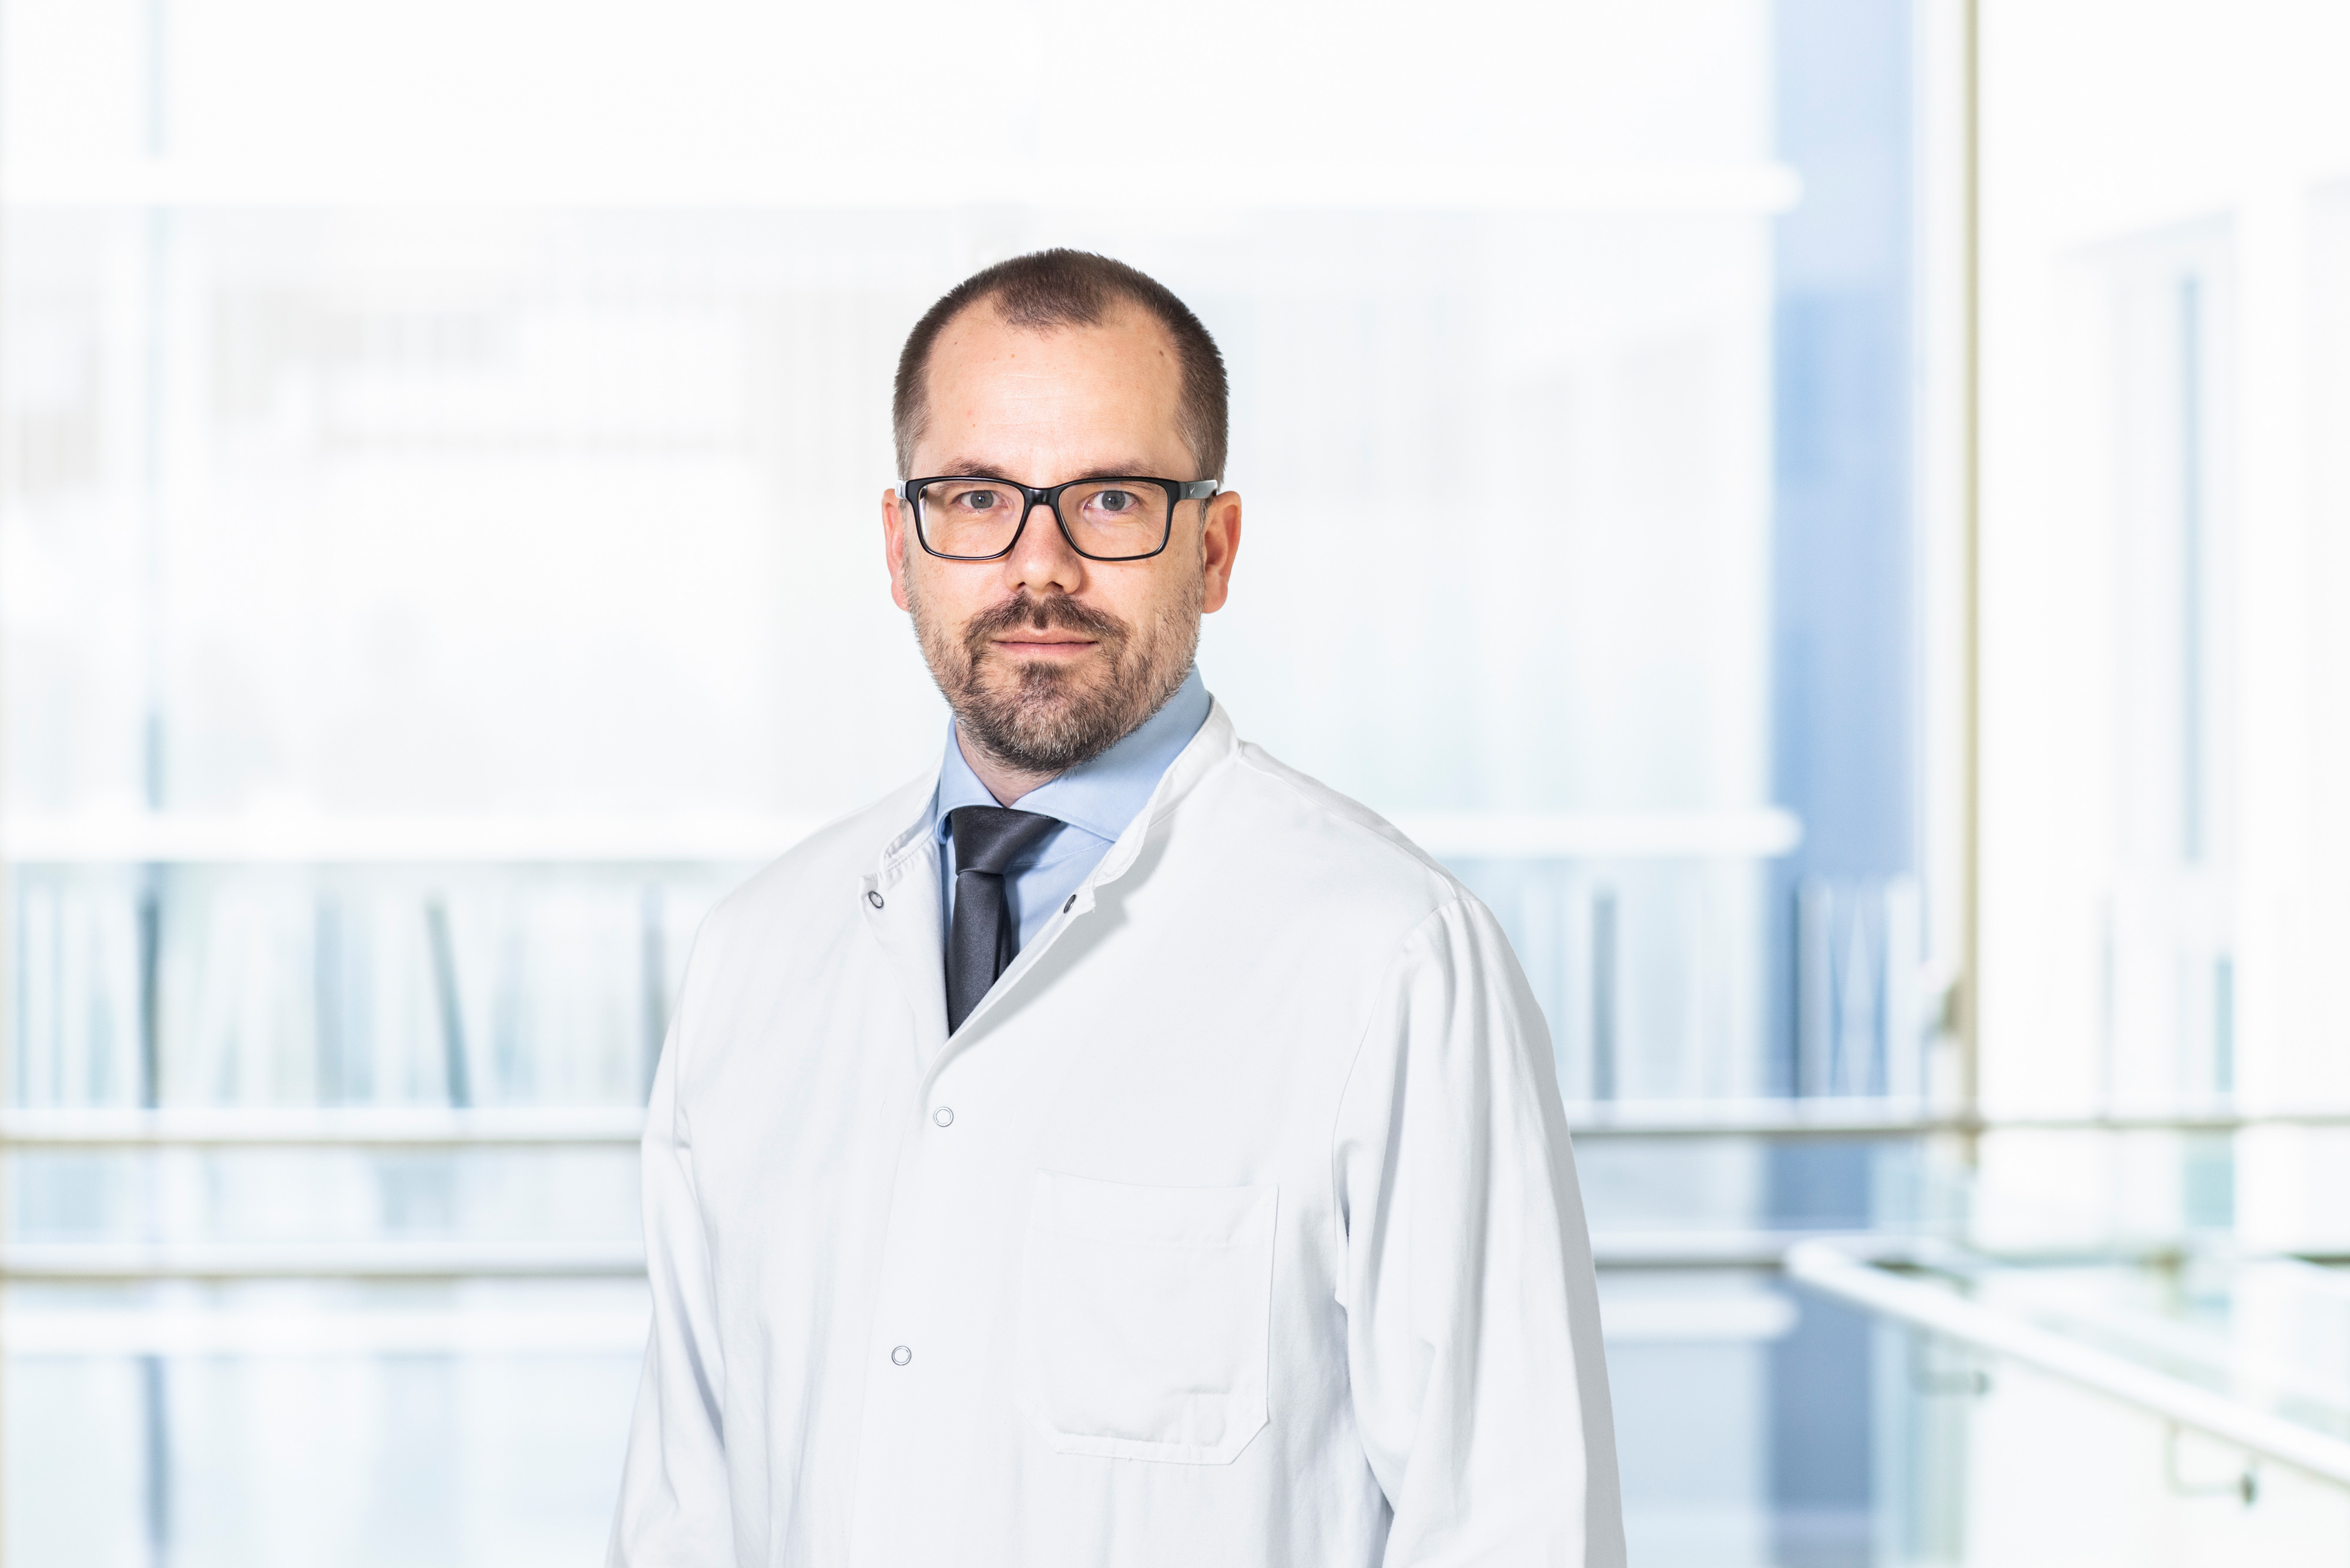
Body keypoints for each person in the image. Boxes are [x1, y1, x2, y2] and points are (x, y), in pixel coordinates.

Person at [609, 249, 1623, 1567]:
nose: (1040, 566)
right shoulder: (757, 956)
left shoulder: (1390, 960)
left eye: (1109, 498)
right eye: (977, 497)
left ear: (1214, 547)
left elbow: (1514, 1524)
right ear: (899, 546)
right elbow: (684, 1510)